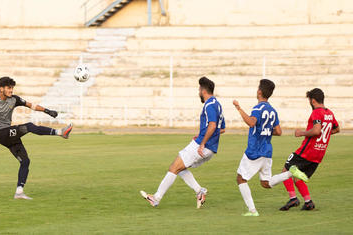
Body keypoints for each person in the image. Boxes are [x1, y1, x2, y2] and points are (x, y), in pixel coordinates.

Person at [0, 76, 73, 200]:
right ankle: (60, 132)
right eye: (8, 88)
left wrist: (47, 111)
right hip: (1, 134)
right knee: (28, 126)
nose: (11, 90)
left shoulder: (14, 99)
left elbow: (31, 105)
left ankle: (19, 192)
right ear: (1, 89)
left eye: (12, 88)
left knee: (25, 161)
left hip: (10, 135)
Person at [140, 77, 225, 208]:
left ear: (203, 90)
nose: (198, 92)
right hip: (211, 148)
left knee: (174, 167)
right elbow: (222, 128)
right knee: (180, 168)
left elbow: (213, 126)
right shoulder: (217, 105)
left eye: (199, 89)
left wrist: (203, 142)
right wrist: (204, 135)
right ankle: (199, 191)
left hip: (202, 146)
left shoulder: (209, 105)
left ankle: (156, 198)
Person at [276, 88, 340, 211]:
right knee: (298, 177)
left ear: (313, 100)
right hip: (319, 154)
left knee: (285, 171)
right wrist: (324, 136)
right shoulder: (330, 114)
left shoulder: (317, 112)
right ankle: (308, 202)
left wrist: (302, 133)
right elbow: (337, 129)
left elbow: (316, 130)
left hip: (307, 151)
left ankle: (293, 198)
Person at [233, 79, 282, 216]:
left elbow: (251, 122)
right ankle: (290, 173)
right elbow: (278, 131)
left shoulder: (257, 108)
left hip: (255, 150)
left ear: (259, 91)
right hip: (267, 150)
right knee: (266, 183)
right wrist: (266, 130)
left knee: (241, 178)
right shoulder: (273, 110)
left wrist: (238, 108)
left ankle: (252, 210)